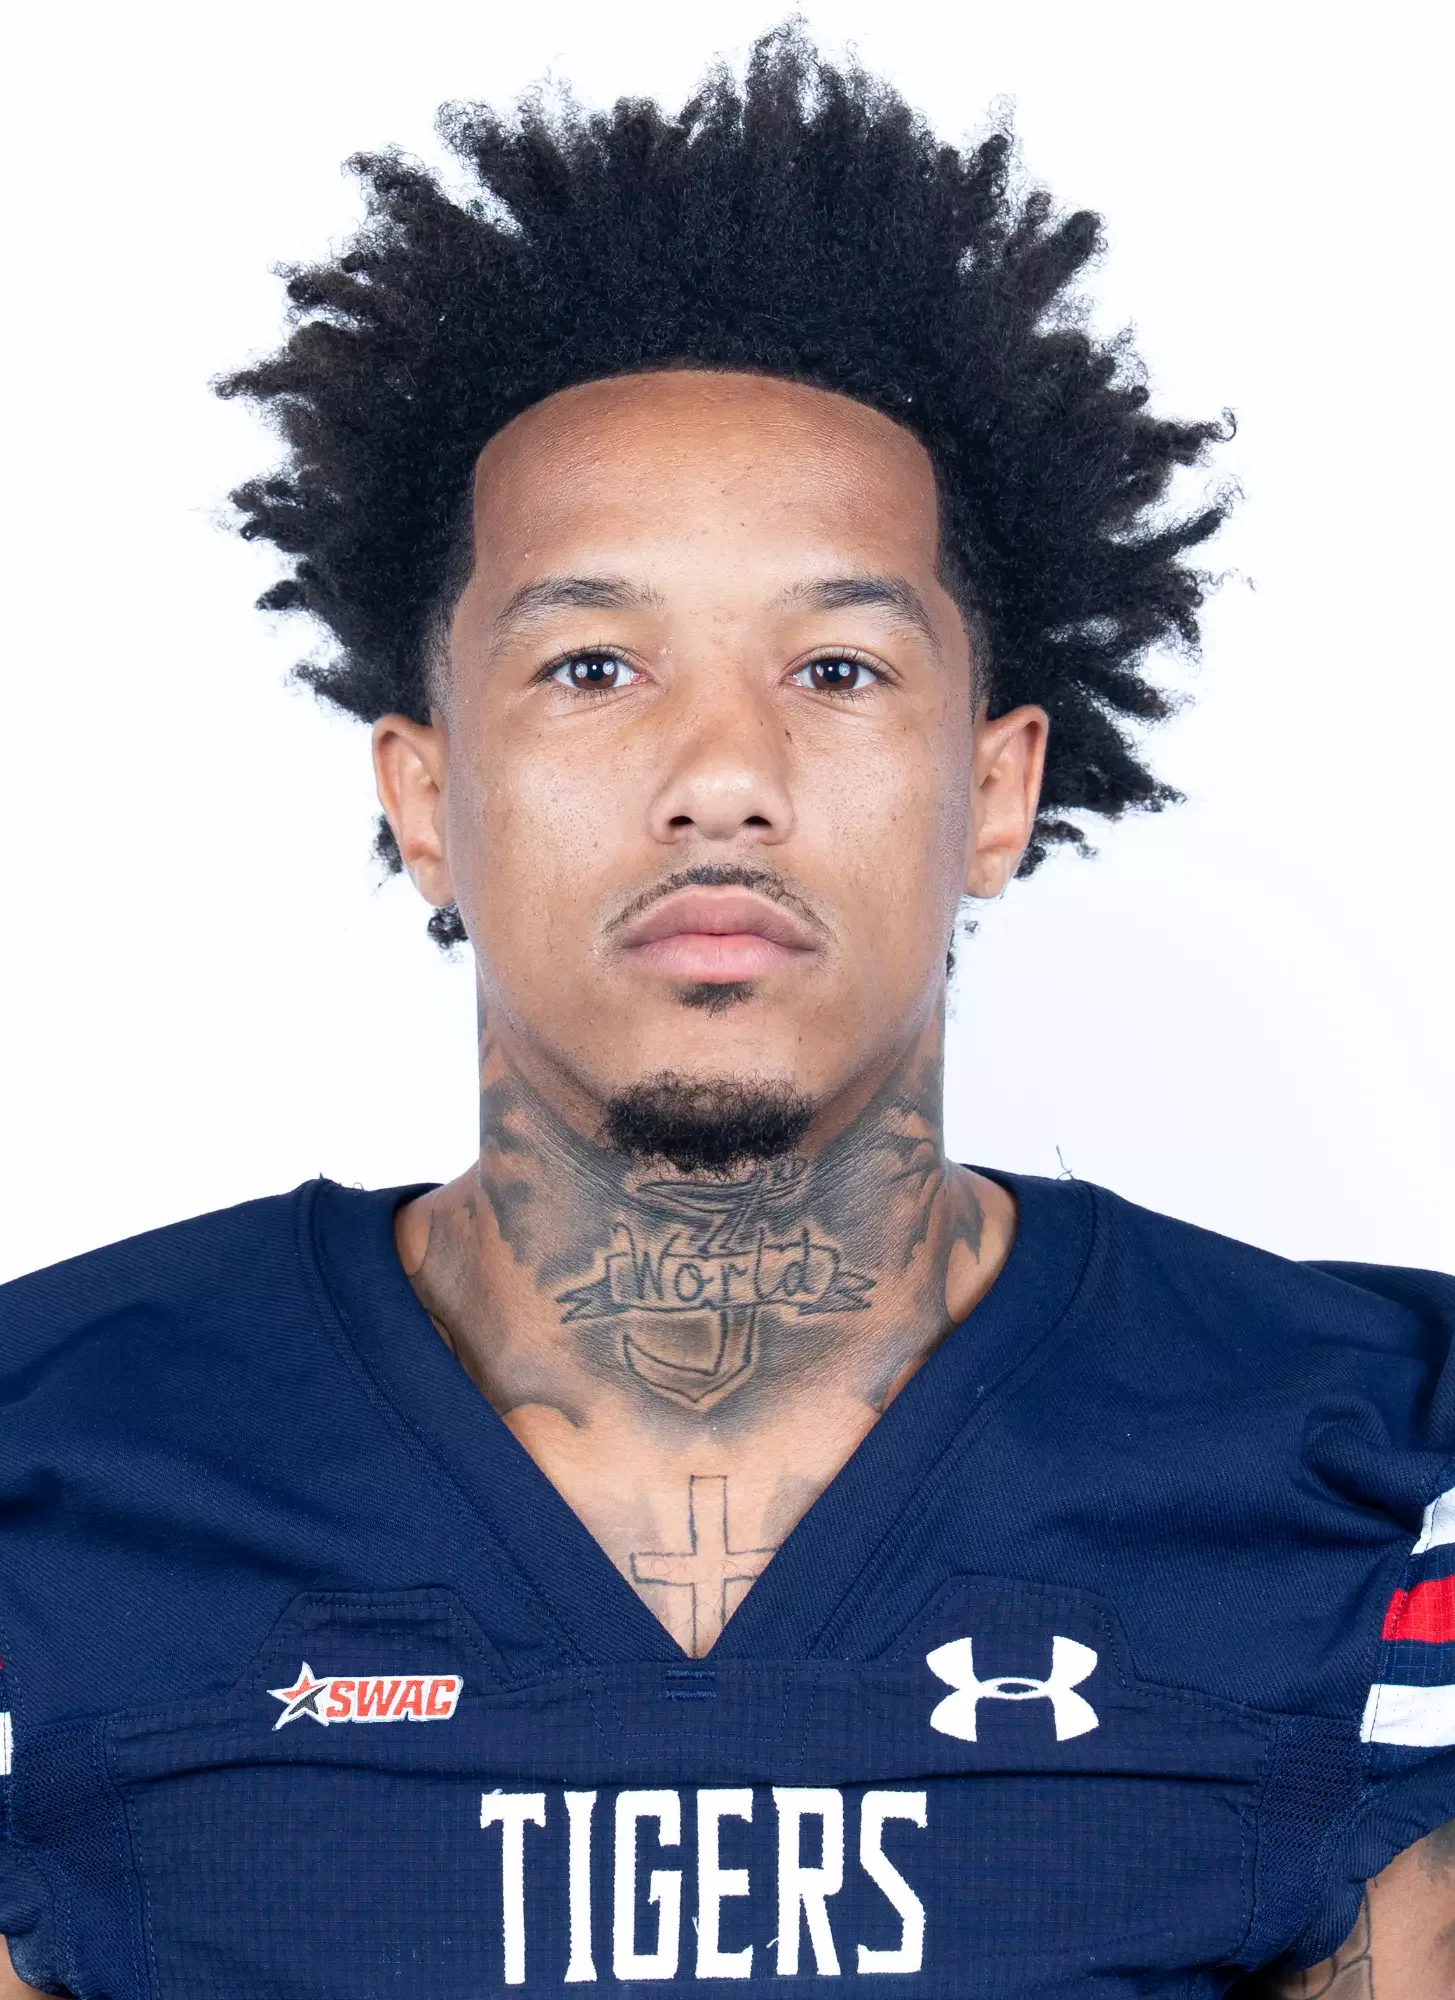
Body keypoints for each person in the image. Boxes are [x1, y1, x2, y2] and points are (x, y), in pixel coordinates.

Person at [1, 28, 1451, 1998]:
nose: (721, 774)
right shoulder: (53, 1460)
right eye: (593, 665)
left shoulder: (1379, 1460)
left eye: (838, 669)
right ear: (424, 796)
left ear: (1000, 788)